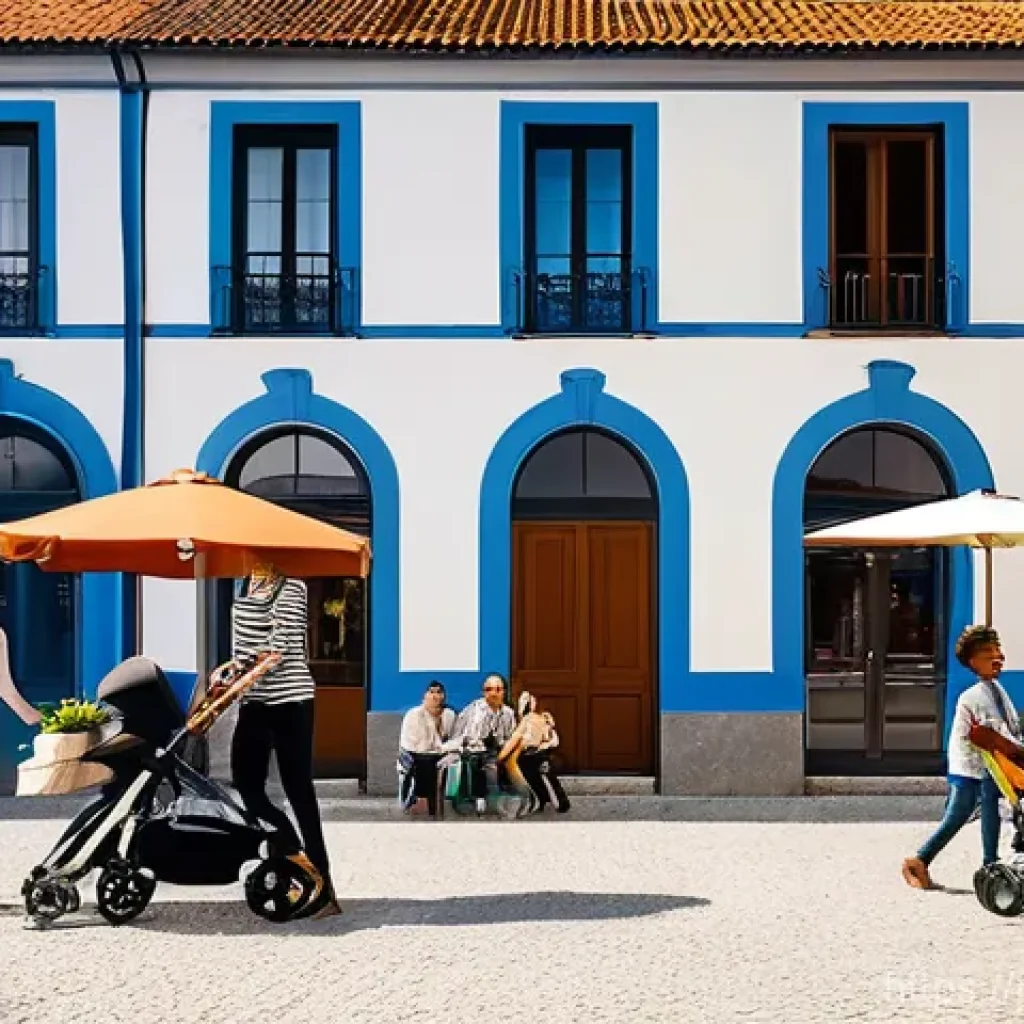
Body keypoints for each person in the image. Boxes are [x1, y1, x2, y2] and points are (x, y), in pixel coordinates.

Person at [223, 562, 339, 919]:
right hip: (254, 701)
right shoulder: (243, 585)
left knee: (298, 790)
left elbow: (280, 647)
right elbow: (242, 646)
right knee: (246, 784)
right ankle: (294, 857)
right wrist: (228, 671)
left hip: (291, 701)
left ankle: (324, 888)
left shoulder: (292, 588)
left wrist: (240, 674)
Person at [902, 625, 1020, 889]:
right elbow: (991, 734)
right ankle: (920, 860)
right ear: (973, 661)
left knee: (989, 810)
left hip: (989, 767)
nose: (998, 657)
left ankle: (990, 864)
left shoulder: (996, 690)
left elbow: (1010, 728)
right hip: (970, 769)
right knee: (958, 815)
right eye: (988, 653)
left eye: (998, 651)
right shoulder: (973, 697)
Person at [451, 673, 517, 813]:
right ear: (483, 692)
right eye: (489, 689)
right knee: (477, 758)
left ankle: (511, 797)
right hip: (472, 748)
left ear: (504, 692)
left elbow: (511, 737)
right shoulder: (476, 710)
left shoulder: (508, 713)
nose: (493, 693)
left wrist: (501, 745)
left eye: (498, 689)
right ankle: (479, 797)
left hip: (497, 749)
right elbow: (471, 738)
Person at [499, 690, 570, 816]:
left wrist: (500, 757)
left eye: (528, 701)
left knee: (541, 777)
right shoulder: (525, 719)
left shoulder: (534, 719)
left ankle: (553, 803)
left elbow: (516, 740)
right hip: (532, 755)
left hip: (534, 755)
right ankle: (546, 801)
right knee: (537, 779)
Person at [397, 681, 456, 816]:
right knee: (427, 762)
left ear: (444, 696)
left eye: (439, 692)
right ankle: (422, 799)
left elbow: (455, 738)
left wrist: (445, 748)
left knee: (454, 761)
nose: (435, 696)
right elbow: (413, 745)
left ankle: (445, 802)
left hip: (442, 753)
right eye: (431, 692)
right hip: (414, 754)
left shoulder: (449, 715)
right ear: (424, 696)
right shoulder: (414, 714)